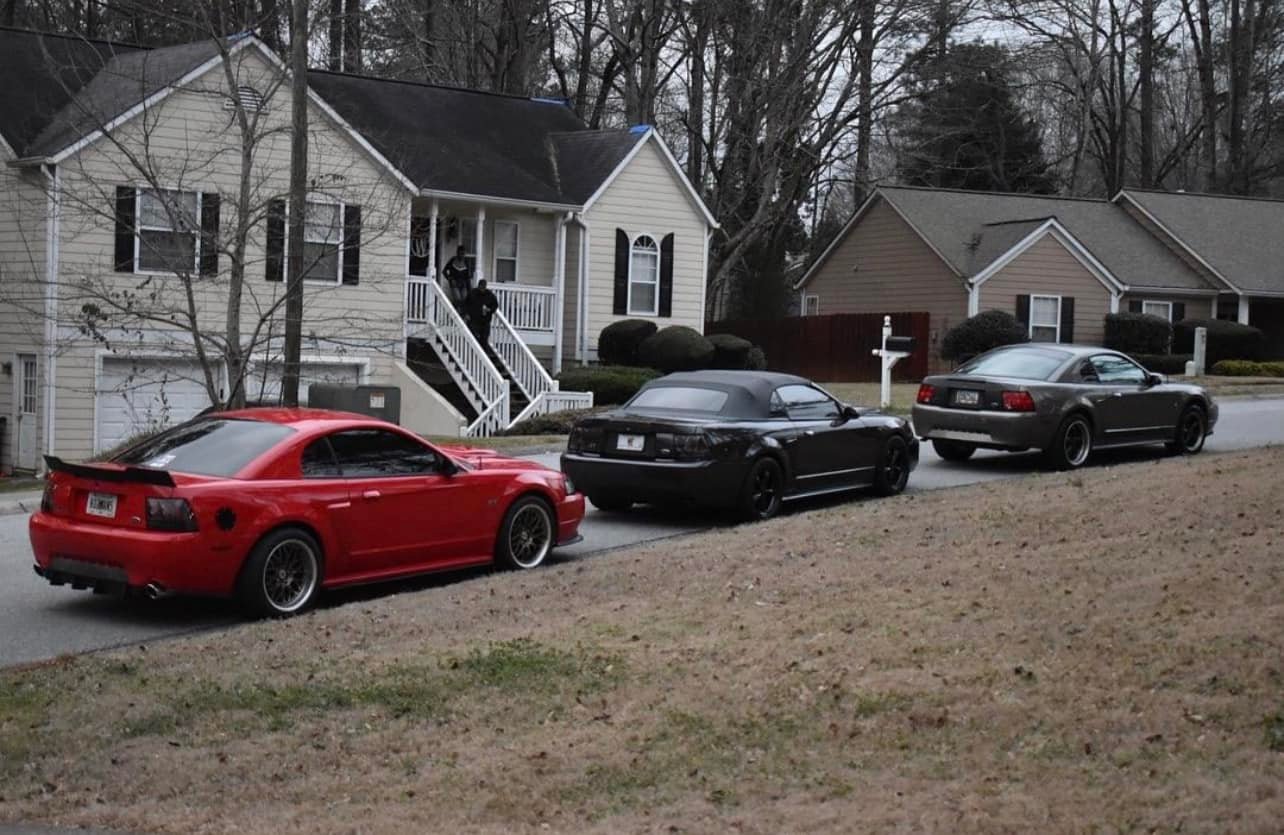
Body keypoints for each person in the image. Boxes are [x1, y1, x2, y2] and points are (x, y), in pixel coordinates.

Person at [465, 279, 500, 349]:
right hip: (474, 320)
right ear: (478, 286)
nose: (482, 289)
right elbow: (466, 304)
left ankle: (484, 351)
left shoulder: (490, 295)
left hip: (485, 320)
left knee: (484, 338)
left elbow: (495, 305)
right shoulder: (472, 293)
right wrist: (466, 314)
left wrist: (489, 310)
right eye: (481, 287)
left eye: (483, 287)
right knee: (474, 336)